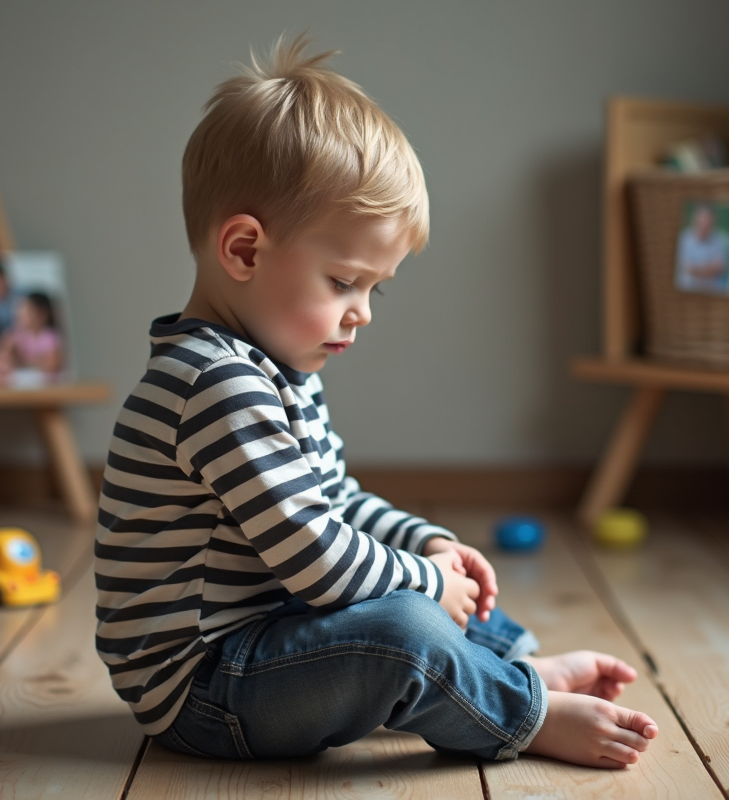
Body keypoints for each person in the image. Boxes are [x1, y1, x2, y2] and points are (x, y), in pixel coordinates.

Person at [94, 36, 659, 769]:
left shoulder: (278, 372)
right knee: (405, 626)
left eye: (374, 287)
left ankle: (508, 673)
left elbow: (333, 501)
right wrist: (426, 581)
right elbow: (322, 564)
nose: (362, 311)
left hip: (268, 636)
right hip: (207, 691)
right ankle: (524, 710)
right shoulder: (214, 384)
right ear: (243, 251)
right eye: (343, 282)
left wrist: (424, 542)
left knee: (417, 591)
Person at [0, 291, 63, 374]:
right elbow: (1, 359)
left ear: (42, 314)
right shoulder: (16, 335)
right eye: (19, 310)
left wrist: (21, 361)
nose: (20, 314)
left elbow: (52, 364)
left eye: (27, 310)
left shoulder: (49, 336)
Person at [675, 203, 729, 294]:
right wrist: (709, 269)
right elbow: (686, 267)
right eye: (703, 220)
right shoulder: (684, 238)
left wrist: (697, 271)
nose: (705, 224)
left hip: (712, 292)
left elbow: (720, 267)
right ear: (695, 220)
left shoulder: (720, 240)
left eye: (708, 221)